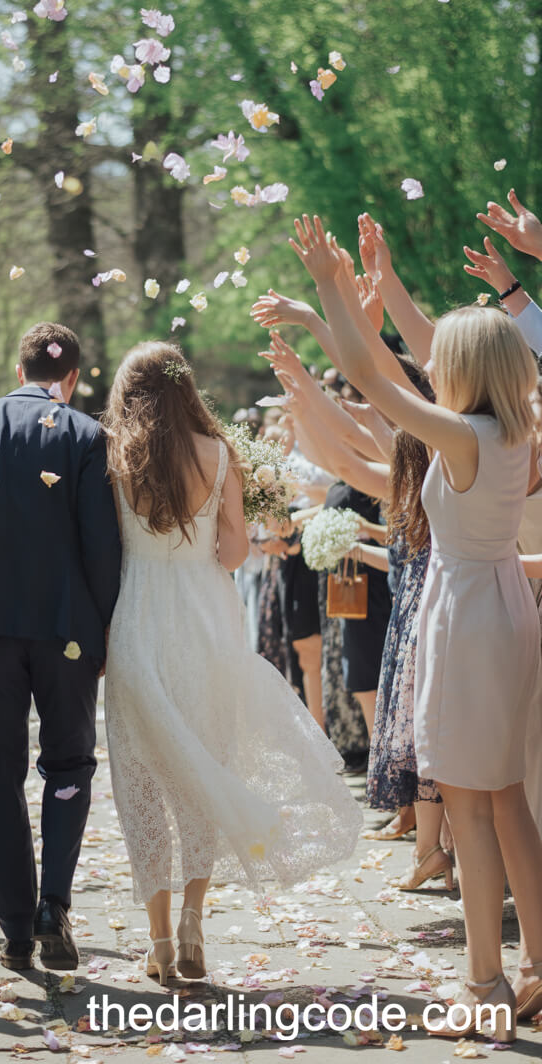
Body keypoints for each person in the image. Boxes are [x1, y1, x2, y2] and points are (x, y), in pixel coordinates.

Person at [292, 211, 542, 1043]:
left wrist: (332, 288)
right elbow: (410, 361)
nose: (433, 368)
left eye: (445, 363)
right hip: (498, 601)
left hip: (469, 613)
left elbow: (373, 379)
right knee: (507, 802)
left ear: (462, 373)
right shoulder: (514, 429)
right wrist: (378, 289)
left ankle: (485, 984)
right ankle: (537, 965)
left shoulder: (463, 435)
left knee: (471, 808)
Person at [101, 342, 362, 985]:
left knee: (142, 782)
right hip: (206, 623)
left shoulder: (114, 456)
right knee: (203, 768)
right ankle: (193, 923)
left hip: (137, 621)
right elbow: (234, 553)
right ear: (187, 389)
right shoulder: (220, 456)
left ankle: (159, 942)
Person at [0, 322, 121, 973]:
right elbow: (100, 543)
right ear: (72, 378)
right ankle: (53, 906)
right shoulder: (89, 436)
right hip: (66, 631)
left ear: (18, 369)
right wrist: (108, 627)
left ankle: (13, 926)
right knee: (68, 765)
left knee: (0, 774)